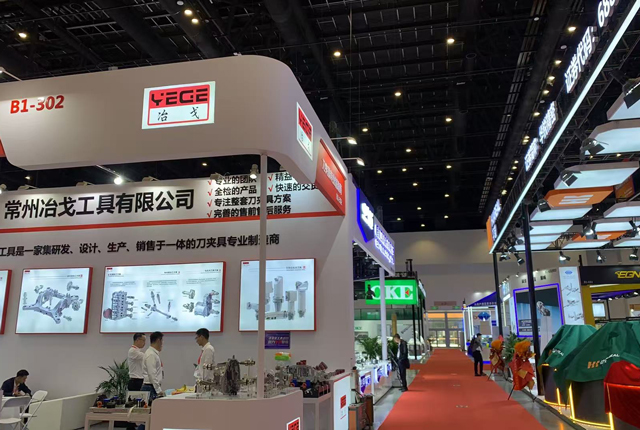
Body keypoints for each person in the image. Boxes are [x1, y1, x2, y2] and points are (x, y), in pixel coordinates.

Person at [142, 331, 164, 401]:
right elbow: (152, 374)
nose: (162, 344)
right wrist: (158, 390)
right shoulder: (151, 354)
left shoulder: (153, 354)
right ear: (158, 341)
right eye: (162, 341)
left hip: (152, 387)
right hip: (150, 388)